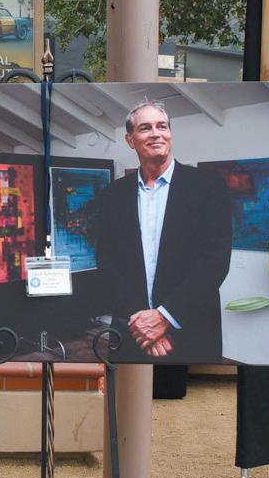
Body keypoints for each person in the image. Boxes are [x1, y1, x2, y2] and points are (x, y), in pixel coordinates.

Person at [83, 99, 233, 362]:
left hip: (191, 328)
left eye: (162, 126)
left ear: (170, 133)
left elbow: (215, 262)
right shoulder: (113, 195)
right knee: (128, 389)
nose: (156, 133)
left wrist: (164, 316)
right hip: (132, 330)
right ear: (130, 140)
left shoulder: (208, 186)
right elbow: (107, 261)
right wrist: (143, 324)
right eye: (145, 128)